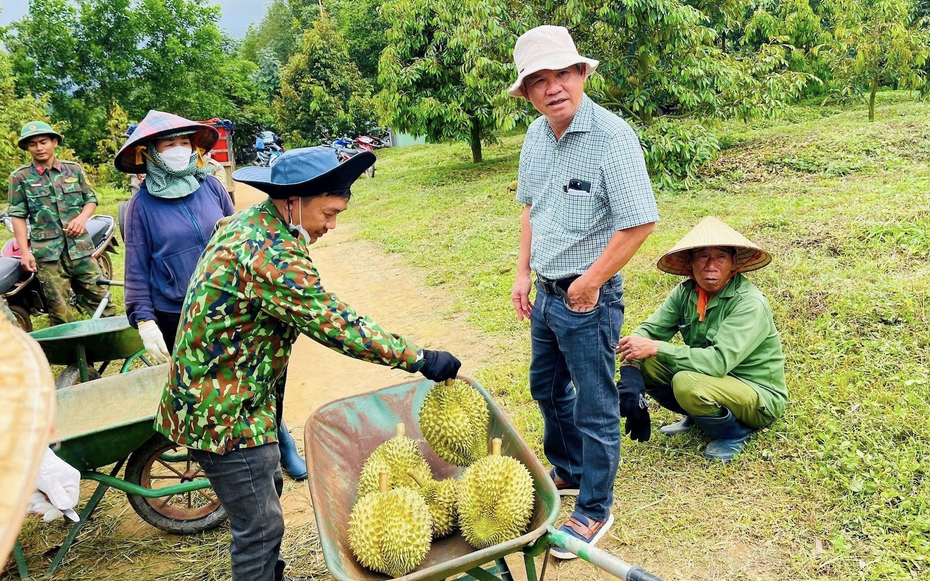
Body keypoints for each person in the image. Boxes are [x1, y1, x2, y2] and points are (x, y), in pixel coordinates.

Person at [154, 146, 462, 581]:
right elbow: (337, 324)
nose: (332, 226)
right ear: (293, 201)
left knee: (265, 495)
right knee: (259, 527)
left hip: (237, 398)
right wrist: (421, 358)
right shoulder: (271, 254)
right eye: (329, 213)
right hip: (222, 414)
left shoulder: (251, 223)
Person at [507, 25, 659, 558]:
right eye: (539, 80)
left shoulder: (612, 138)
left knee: (595, 406)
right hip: (546, 294)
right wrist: (523, 273)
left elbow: (639, 223)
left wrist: (589, 283)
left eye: (564, 74)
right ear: (526, 92)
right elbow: (532, 207)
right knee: (546, 389)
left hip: (587, 298)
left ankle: (594, 508)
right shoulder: (534, 136)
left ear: (583, 74)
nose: (554, 88)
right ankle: (569, 470)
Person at [116, 110, 305, 480]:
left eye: (184, 142)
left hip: (235, 306)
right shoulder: (141, 207)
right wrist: (143, 318)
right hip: (181, 316)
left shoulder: (212, 187)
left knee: (259, 377)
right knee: (215, 392)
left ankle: (280, 439)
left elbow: (242, 236)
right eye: (169, 144)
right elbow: (135, 267)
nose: (178, 150)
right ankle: (235, 463)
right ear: (151, 152)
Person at [616, 216, 788, 462]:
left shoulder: (749, 303)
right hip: (712, 379)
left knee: (687, 382)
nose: (711, 265)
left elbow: (717, 362)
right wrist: (631, 375)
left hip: (757, 394)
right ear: (689, 263)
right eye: (702, 256)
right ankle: (699, 418)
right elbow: (647, 333)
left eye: (720, 257)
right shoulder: (686, 292)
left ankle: (733, 433)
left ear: (733, 264)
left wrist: (657, 348)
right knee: (648, 360)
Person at [7, 121, 115, 325]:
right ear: (27, 148)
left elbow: (90, 200)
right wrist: (24, 252)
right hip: (48, 255)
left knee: (101, 302)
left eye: (43, 142)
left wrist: (81, 219)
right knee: (59, 312)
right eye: (32, 144)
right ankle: (73, 357)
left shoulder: (73, 170)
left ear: (54, 142)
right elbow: (18, 215)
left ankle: (110, 348)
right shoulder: (20, 177)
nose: (39, 148)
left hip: (80, 250)